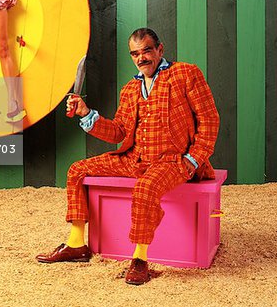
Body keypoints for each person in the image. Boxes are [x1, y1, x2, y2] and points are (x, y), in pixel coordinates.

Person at [36, 27, 220, 285]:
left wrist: (192, 159)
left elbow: (209, 120)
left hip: (173, 160)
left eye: (146, 50)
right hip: (135, 158)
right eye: (135, 53)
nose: (141, 58)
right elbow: (118, 132)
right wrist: (86, 113)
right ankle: (77, 244)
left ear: (160, 50)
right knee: (77, 170)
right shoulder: (130, 89)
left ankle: (140, 260)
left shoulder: (186, 74)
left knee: (145, 188)